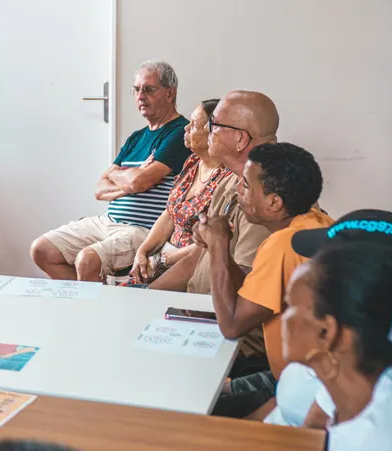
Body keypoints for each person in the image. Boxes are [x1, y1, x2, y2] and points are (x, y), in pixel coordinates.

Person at [265, 210, 392, 428]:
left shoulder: (384, 359)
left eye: (325, 264)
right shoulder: (368, 322)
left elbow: (317, 431)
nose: (311, 269)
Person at [200, 142, 333, 418]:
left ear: (274, 202)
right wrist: (221, 248)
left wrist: (216, 244)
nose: (238, 191)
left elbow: (232, 325)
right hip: (298, 377)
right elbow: (249, 294)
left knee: (196, 410)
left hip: (303, 388)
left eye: (246, 186)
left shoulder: (283, 245)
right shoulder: (317, 222)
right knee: (205, 389)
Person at [30, 61, 191, 282]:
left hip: (142, 230)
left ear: (170, 93)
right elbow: (100, 188)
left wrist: (125, 177)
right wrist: (129, 178)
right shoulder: (136, 137)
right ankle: (98, 297)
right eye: (136, 89)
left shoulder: (179, 133)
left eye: (149, 89)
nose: (140, 96)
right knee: (41, 250)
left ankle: (94, 308)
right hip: (108, 221)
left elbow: (139, 182)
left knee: (87, 260)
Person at [149, 90, 278, 294]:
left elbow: (245, 292)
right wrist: (149, 294)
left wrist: (217, 243)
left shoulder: (265, 196)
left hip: (219, 318)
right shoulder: (228, 183)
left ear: (240, 139)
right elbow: (195, 259)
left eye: (214, 125)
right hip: (197, 307)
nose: (207, 131)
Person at [127, 99, 233, 284]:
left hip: (192, 265)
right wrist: (142, 252)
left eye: (193, 125)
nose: (185, 128)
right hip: (163, 257)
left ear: (212, 132)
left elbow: (211, 242)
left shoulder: (228, 178)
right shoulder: (192, 162)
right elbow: (170, 214)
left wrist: (162, 261)